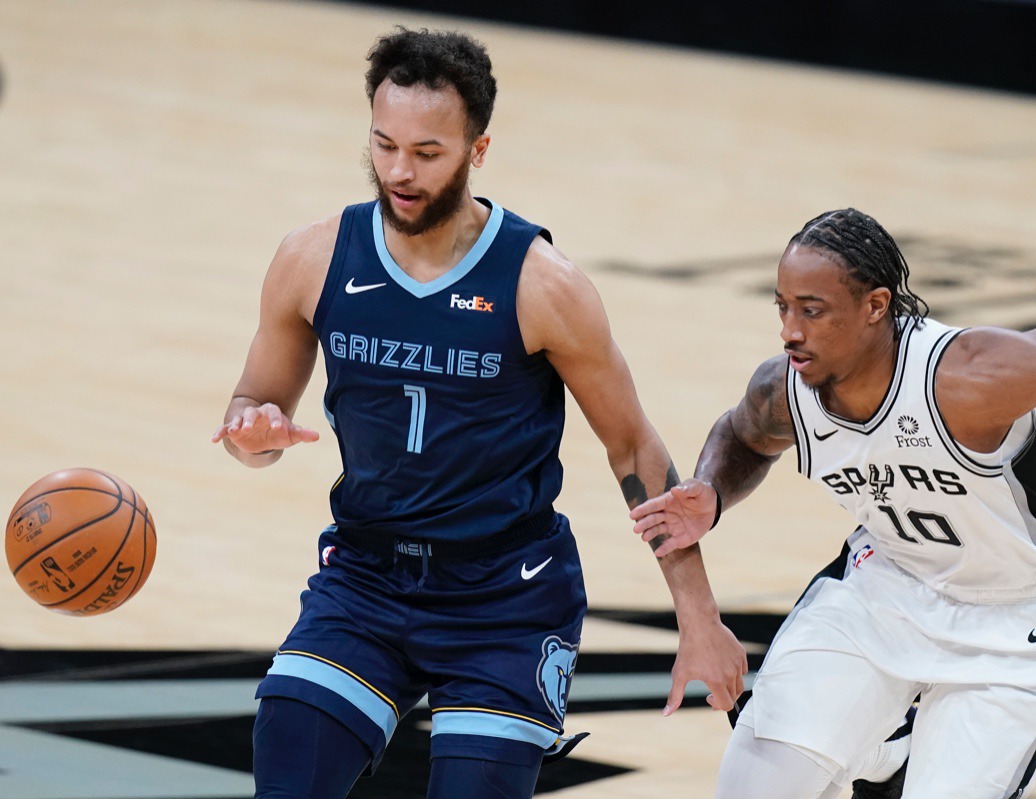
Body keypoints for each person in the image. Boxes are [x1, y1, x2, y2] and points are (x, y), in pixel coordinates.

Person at [211, 26, 744, 799]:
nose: (399, 171)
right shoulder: (312, 258)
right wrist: (251, 432)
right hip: (365, 577)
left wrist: (698, 614)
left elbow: (633, 448)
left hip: (507, 597)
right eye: (384, 144)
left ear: (477, 150)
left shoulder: (542, 284)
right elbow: (251, 414)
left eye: (428, 153)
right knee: (288, 773)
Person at [631, 207, 1036, 799]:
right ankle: (879, 745)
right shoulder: (787, 387)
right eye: (783, 307)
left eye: (812, 311)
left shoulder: (969, 379)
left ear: (875, 306)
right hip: (884, 589)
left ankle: (886, 749)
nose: (791, 330)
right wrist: (712, 492)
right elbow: (742, 434)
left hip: (1016, 621)